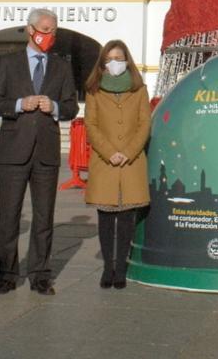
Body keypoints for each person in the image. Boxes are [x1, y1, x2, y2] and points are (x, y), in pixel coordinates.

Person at [0, 8, 77, 296]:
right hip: (13, 152)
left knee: (43, 217)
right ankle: (6, 275)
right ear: (30, 30)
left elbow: (72, 106)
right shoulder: (9, 63)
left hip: (46, 154)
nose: (49, 36)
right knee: (8, 217)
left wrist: (56, 108)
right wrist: (18, 104)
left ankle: (40, 275)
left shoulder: (61, 67)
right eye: (44, 30)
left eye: (53, 31)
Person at [84, 39, 151, 288]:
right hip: (105, 162)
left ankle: (121, 267)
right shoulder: (94, 90)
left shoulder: (139, 89)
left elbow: (145, 123)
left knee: (126, 218)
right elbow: (91, 124)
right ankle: (107, 268)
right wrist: (110, 151)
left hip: (131, 162)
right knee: (105, 217)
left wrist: (129, 151)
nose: (115, 63)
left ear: (127, 61)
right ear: (103, 63)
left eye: (119, 58)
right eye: (110, 58)